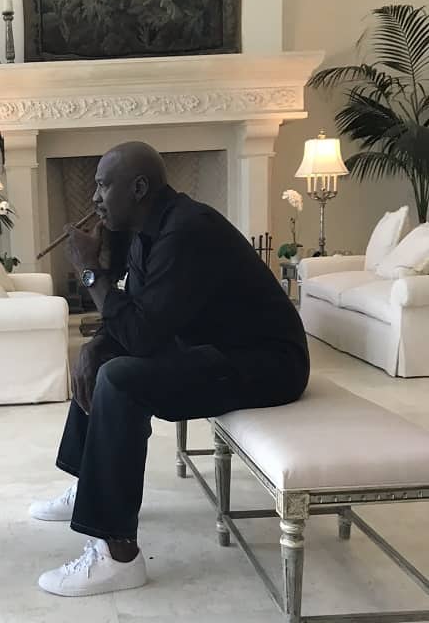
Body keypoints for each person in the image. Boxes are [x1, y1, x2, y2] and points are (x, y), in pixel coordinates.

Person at [31, 142, 310, 597]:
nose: (95, 198)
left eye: (104, 185)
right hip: (214, 347)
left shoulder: (188, 231)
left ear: (138, 188)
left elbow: (141, 335)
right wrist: (92, 346)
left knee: (121, 379)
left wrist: (87, 271)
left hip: (266, 363)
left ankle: (118, 554)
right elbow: (139, 317)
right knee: (103, 359)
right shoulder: (148, 229)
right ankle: (91, 487)